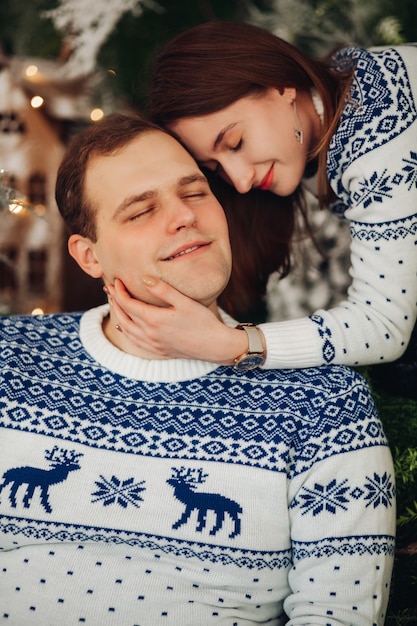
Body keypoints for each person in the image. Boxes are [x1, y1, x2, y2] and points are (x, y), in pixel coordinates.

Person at [0, 113, 395, 625]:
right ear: (89, 256)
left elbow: (340, 615)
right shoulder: (10, 358)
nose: (184, 216)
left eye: (194, 192)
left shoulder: (325, 402)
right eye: (141, 210)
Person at [105, 21, 417, 372]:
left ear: (281, 88)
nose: (239, 181)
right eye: (216, 167)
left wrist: (230, 344)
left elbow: (386, 326)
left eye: (236, 142)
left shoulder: (379, 143)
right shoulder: (357, 80)